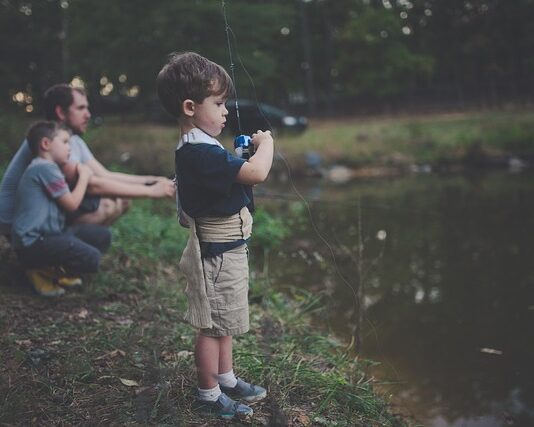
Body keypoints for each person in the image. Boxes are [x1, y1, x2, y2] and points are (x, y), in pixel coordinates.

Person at [157, 52, 274, 420]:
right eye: (219, 103)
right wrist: (266, 145)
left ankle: (225, 377)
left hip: (228, 249)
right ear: (190, 106)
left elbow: (226, 178)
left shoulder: (202, 147)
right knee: (212, 326)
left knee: (225, 321)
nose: (226, 111)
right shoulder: (197, 151)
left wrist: (239, 154)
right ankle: (208, 394)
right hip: (218, 254)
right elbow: (255, 174)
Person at [0, 83, 175, 236]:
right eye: (81, 108)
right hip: (14, 223)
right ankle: (57, 259)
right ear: (61, 112)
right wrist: (152, 192)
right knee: (107, 204)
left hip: (43, 213)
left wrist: (153, 180)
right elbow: (93, 185)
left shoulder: (72, 140)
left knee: (121, 200)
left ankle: (77, 254)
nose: (88, 115)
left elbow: (105, 175)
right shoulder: (50, 144)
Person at [12, 121, 111, 297]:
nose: (69, 148)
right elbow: (72, 204)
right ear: (45, 144)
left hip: (49, 236)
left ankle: (55, 269)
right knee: (92, 258)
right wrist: (85, 176)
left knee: (102, 235)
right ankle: (41, 271)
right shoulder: (44, 168)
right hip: (32, 244)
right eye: (65, 142)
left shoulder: (48, 168)